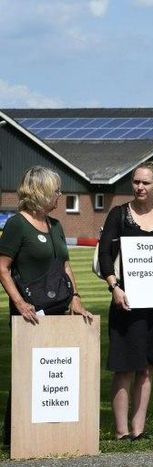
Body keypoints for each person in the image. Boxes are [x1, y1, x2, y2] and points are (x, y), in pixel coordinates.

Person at [0, 166, 92, 445]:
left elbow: (64, 264)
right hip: (28, 313)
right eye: (56, 190)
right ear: (40, 192)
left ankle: (50, 431)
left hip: (57, 309)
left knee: (54, 371)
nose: (60, 195)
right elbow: (2, 268)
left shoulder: (56, 225)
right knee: (27, 373)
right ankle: (13, 434)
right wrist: (20, 303)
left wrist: (75, 297)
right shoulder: (18, 225)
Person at [98, 161, 153, 440]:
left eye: (145, 182)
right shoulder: (119, 215)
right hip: (127, 303)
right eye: (136, 182)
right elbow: (106, 256)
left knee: (147, 367)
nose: (140, 187)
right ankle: (121, 431)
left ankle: (138, 429)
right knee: (124, 366)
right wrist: (114, 287)